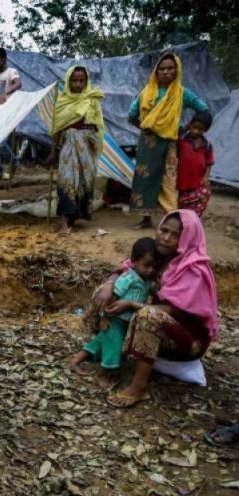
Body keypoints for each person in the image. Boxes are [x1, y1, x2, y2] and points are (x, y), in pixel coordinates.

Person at [88, 210, 218, 408]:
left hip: (188, 342)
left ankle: (138, 388)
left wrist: (132, 305)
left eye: (175, 235)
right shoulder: (159, 257)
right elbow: (127, 270)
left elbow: (177, 311)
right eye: (163, 230)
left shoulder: (193, 270)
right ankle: (108, 352)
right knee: (105, 293)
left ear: (187, 239)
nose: (166, 238)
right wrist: (109, 285)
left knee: (147, 315)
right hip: (161, 329)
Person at [128, 52, 209, 229]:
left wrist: (185, 128)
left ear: (177, 70)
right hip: (148, 142)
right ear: (156, 72)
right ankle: (146, 219)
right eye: (162, 69)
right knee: (145, 179)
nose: (166, 72)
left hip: (170, 142)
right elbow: (131, 115)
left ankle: (170, 219)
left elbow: (203, 109)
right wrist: (146, 127)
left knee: (168, 179)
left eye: (170, 68)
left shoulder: (182, 93)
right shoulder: (147, 92)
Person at [69, 237, 160, 390]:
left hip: (126, 322)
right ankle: (102, 374)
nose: (150, 270)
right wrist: (104, 318)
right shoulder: (128, 278)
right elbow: (112, 298)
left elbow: (155, 290)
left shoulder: (146, 280)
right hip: (115, 320)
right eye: (146, 265)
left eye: (154, 267)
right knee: (114, 347)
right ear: (134, 261)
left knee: (99, 342)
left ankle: (74, 361)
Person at [46, 65, 105, 235]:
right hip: (68, 145)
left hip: (87, 147)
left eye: (82, 80)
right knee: (67, 179)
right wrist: (53, 151)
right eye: (74, 80)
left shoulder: (92, 98)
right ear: (69, 81)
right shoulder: (63, 100)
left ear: (86, 81)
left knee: (84, 182)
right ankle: (64, 222)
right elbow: (57, 127)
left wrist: (89, 139)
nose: (78, 84)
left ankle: (74, 217)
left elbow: (97, 125)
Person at [0, 48, 22, 178]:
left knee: (0, 141)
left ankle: (14, 161)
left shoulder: (11, 71)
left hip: (6, 112)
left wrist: (5, 92)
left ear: (4, 58)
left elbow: (18, 84)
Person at [176, 110, 214, 218]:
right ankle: (184, 220)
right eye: (194, 127)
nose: (196, 131)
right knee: (183, 204)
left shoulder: (207, 145)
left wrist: (206, 177)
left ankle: (194, 219)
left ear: (206, 130)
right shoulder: (182, 140)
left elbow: (209, 162)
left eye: (200, 129)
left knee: (202, 198)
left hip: (198, 181)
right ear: (190, 126)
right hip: (183, 181)